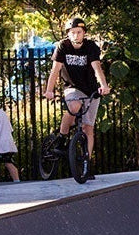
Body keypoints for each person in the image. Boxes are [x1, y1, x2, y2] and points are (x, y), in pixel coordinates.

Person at [44, 17, 112, 178]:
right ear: (68, 34)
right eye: (72, 32)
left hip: (91, 90)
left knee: (88, 128)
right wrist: (49, 90)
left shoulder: (91, 47)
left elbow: (97, 68)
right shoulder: (63, 46)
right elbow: (55, 70)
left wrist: (104, 85)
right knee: (74, 107)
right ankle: (61, 137)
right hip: (72, 88)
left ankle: (86, 164)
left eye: (79, 32)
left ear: (84, 33)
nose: (76, 35)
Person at [0, 91, 20, 182]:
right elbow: (10, 129)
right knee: (8, 162)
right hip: (8, 143)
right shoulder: (3, 113)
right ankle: (17, 181)